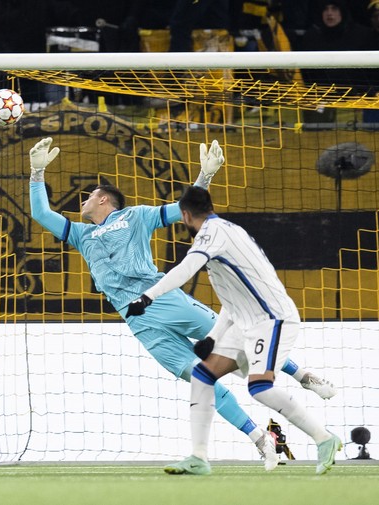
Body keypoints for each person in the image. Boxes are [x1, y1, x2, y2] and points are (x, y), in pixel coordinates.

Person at [27, 137, 336, 462]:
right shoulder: (81, 234)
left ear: (104, 199)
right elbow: (40, 213)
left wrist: (205, 177)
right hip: (136, 320)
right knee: (200, 378)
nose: (83, 201)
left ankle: (303, 376)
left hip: (163, 300)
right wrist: (37, 172)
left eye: (89, 196)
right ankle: (260, 438)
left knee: (240, 335)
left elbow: (182, 209)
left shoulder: (135, 216)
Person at [126, 185, 343, 475]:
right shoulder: (228, 232)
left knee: (260, 387)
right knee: (203, 376)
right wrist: (213, 337)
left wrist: (147, 296)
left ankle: (324, 438)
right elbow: (232, 301)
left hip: (272, 318)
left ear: (186, 215)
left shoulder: (211, 235)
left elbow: (185, 269)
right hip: (246, 322)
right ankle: (199, 458)